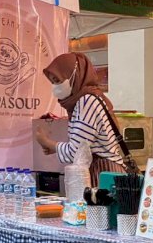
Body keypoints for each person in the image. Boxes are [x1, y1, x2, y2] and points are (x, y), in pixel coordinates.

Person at [35, 52, 126, 186]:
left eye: (58, 80)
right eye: (53, 82)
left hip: (103, 175)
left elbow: (76, 152)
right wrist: (54, 148)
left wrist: (47, 142)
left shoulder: (87, 101)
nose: (55, 86)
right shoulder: (85, 101)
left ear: (75, 76)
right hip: (102, 173)